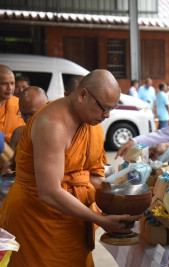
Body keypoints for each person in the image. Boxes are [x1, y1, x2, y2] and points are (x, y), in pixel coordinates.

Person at [0, 69, 130, 266]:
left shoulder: (89, 122)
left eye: (112, 108)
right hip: (35, 220)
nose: (107, 115)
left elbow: (93, 176)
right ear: (83, 95)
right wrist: (100, 219)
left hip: (72, 218)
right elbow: (49, 192)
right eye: (104, 108)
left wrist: (119, 199)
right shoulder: (52, 124)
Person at [3, 86, 49, 175]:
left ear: (47, 106)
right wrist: (7, 170)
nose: (27, 120)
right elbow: (7, 163)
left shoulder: (59, 133)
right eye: (23, 115)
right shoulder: (18, 133)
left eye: (32, 114)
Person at [0, 65, 25, 144]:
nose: (10, 88)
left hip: (14, 153)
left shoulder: (20, 104)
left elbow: (26, 133)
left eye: (12, 83)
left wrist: (3, 137)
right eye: (5, 84)